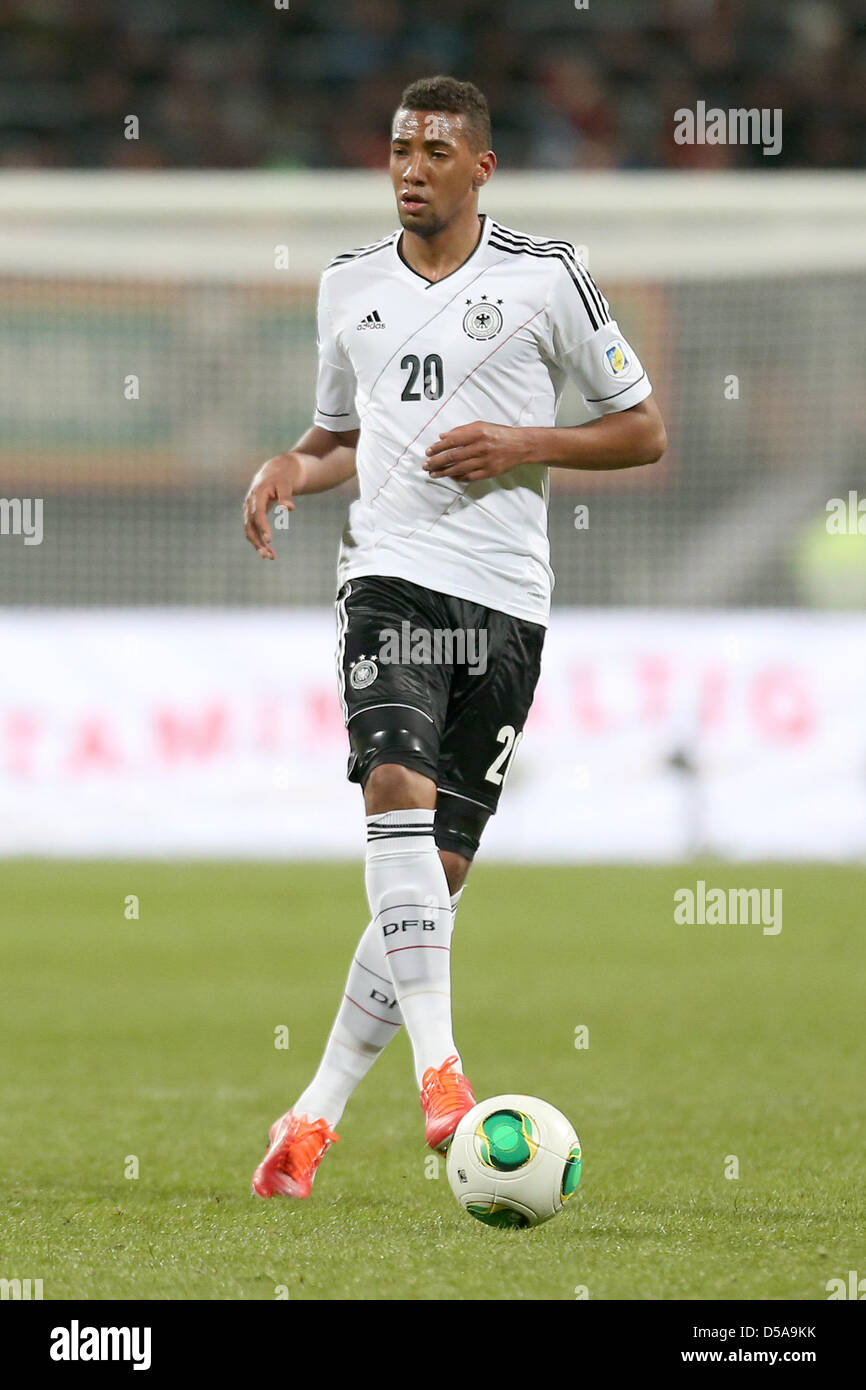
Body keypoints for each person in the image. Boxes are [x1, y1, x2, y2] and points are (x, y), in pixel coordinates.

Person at [242, 75, 666, 1198]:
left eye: (434, 149)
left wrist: (522, 439)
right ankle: (443, 1073)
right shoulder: (345, 288)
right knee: (392, 788)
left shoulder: (545, 278)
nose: (409, 165)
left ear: (480, 167)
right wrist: (292, 466)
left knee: (430, 877)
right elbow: (336, 437)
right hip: (387, 583)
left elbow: (642, 432)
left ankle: (312, 1115)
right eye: (397, 147)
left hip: (506, 606)